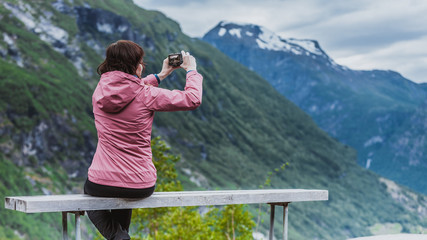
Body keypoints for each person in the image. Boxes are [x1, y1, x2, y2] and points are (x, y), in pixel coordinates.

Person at [84, 40, 203, 240]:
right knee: (125, 191)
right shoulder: (147, 94)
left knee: (89, 195)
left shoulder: (100, 92)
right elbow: (192, 99)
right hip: (140, 183)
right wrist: (191, 70)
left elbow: (128, 89)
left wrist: (161, 75)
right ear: (136, 66)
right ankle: (120, 237)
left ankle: (117, 236)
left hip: (102, 182)